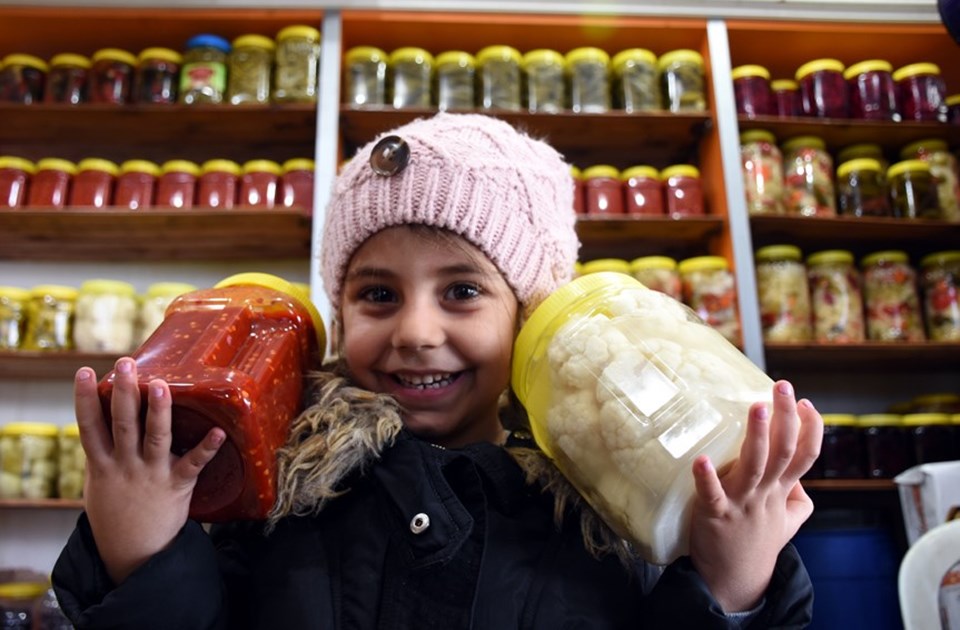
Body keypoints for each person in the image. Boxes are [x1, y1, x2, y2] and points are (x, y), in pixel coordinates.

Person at [53, 112, 822, 628]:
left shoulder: (620, 513)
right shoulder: (275, 491)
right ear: (340, 312)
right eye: (378, 294)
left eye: (462, 291)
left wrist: (733, 587)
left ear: (532, 319)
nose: (417, 333)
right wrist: (141, 551)